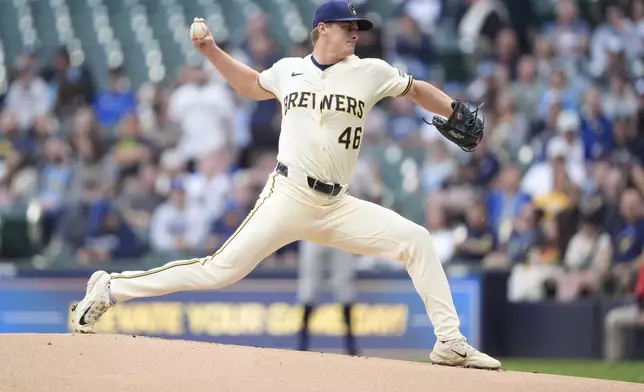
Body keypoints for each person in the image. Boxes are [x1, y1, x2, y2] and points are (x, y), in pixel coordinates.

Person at [71, 0, 500, 370]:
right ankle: (112, 288)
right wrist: (211, 50)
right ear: (322, 29)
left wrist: (454, 109)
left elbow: (417, 89)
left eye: (358, 28)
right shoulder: (288, 70)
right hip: (288, 194)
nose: (355, 34)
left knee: (416, 240)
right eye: (347, 27)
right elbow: (250, 85)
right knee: (219, 271)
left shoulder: (370, 71)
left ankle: (449, 343)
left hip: (338, 205)